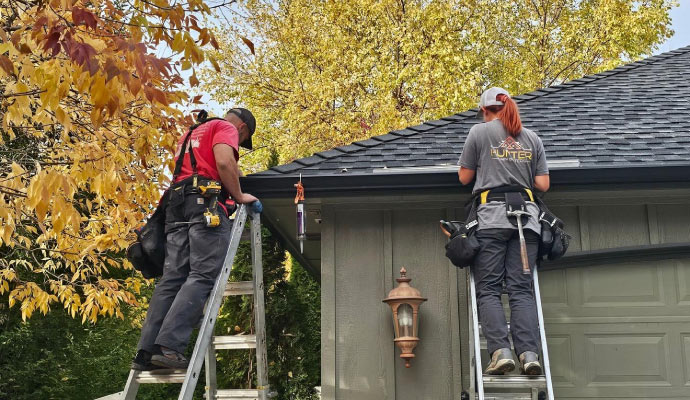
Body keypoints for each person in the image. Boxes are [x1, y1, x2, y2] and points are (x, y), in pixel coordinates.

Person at [131, 108, 260, 370]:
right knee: (202, 274)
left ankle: (146, 351)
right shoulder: (226, 128)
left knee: (172, 279)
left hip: (177, 205)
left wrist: (237, 177)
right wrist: (239, 196)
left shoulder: (193, 132)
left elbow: (208, 167)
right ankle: (168, 347)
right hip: (205, 208)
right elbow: (224, 163)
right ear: (243, 128)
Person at [458, 87, 550, 376]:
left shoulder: (479, 132)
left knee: (489, 289)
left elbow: (464, 177)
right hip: (527, 221)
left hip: (493, 219)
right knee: (522, 290)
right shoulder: (532, 138)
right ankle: (529, 355)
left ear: (485, 110)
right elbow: (543, 184)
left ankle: (500, 352)